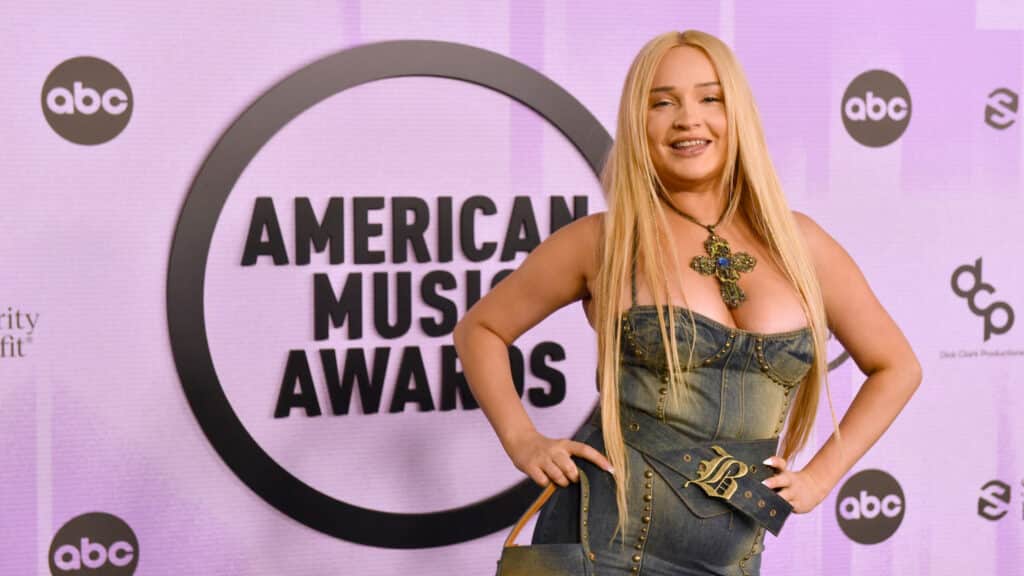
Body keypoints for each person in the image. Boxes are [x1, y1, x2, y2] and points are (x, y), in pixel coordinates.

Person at [452, 29, 921, 575]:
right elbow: (480, 329)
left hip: (734, 558)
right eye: (662, 102)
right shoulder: (603, 240)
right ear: (638, 122)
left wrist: (818, 478)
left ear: (736, 114)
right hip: (598, 544)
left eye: (709, 98)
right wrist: (522, 440)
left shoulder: (801, 243)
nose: (688, 119)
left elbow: (897, 366)